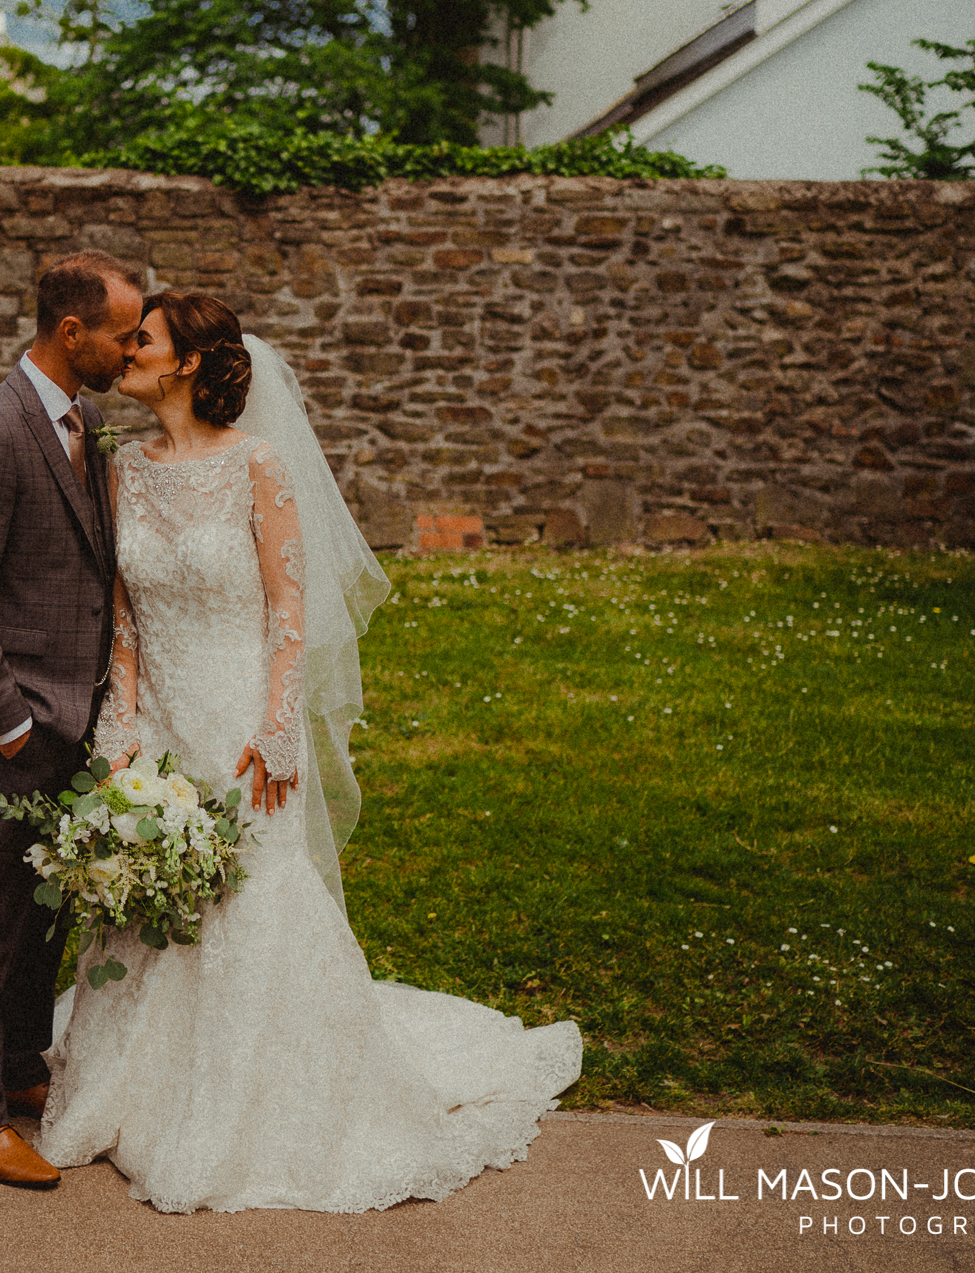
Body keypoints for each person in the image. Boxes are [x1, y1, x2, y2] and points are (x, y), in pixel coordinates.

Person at [34, 291, 584, 1213]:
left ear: (190, 364)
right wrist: (119, 725)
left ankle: (251, 1102)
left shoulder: (260, 466)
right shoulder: (123, 466)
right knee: (146, 899)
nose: (127, 351)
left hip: (243, 724)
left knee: (251, 901)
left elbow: (292, 617)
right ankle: (131, 1088)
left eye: (146, 341)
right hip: (160, 718)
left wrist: (280, 723)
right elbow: (123, 613)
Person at [0, 250, 143, 1189]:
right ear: (72, 331)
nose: (134, 350)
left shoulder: (83, 420)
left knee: (42, 913)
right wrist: (10, 724)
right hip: (17, 723)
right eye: (125, 334)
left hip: (77, 716)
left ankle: (14, 1072)